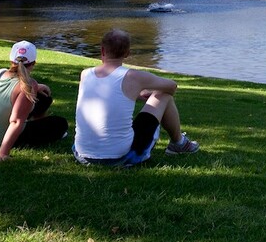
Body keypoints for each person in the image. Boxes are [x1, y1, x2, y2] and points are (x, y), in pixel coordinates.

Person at [73, 29, 199, 166]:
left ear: (102, 50)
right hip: (119, 158)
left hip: (82, 154)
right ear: (128, 53)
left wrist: (137, 94)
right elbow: (172, 87)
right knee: (163, 95)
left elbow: (109, 92)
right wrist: (146, 90)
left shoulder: (85, 74)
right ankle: (179, 143)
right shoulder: (134, 77)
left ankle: (178, 143)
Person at [0, 41, 69, 162]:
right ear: (33, 63)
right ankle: (25, 133)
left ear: (11, 61)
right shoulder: (27, 86)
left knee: (44, 99)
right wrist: (2, 154)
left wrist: (38, 87)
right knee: (60, 124)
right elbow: (16, 121)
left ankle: (33, 122)